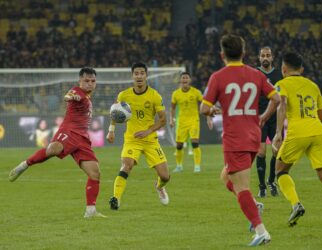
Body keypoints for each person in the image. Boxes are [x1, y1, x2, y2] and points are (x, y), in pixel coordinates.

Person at [200, 34, 280, 246]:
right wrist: (264, 116)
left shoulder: (218, 76)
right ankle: (254, 204)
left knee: (241, 186)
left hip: (235, 139)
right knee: (226, 178)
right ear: (243, 53)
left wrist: (214, 109)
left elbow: (204, 108)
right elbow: (277, 98)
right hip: (253, 136)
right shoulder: (257, 75)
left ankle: (261, 230)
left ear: (222, 54)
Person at [8, 67, 105, 218]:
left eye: (93, 81)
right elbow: (69, 95)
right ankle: (24, 165)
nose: (90, 84)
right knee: (53, 149)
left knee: (95, 173)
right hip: (69, 131)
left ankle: (90, 211)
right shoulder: (77, 91)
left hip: (83, 139)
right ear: (80, 81)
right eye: (86, 81)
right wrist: (71, 97)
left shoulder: (88, 97)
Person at [272, 52, 322, 227]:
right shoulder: (313, 86)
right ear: (301, 69)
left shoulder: (281, 84)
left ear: (283, 69)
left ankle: (296, 204)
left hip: (297, 132)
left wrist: (278, 133)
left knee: (281, 171)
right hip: (317, 131)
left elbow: (282, 104)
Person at [107, 62, 170, 210]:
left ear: (146, 75)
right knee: (126, 165)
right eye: (136, 73)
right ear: (132, 76)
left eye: (142, 73)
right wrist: (111, 130)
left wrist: (148, 131)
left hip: (150, 141)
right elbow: (114, 112)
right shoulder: (124, 95)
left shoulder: (155, 96)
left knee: (165, 176)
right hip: (132, 139)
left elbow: (163, 120)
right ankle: (116, 198)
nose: (139, 76)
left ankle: (159, 187)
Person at [255, 47, 283, 198]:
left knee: (277, 151)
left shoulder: (280, 74)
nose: (265, 57)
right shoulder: (254, 73)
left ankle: (271, 181)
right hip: (259, 118)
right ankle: (262, 187)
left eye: (268, 55)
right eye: (263, 55)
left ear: (272, 58)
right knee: (261, 152)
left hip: (275, 118)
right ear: (259, 58)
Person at [170, 72, 203, 173]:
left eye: (186, 78)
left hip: (194, 121)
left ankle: (197, 166)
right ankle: (179, 166)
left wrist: (209, 117)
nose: (184, 80)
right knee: (179, 145)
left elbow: (204, 104)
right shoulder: (176, 94)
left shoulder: (196, 92)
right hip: (182, 122)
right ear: (180, 81)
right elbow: (172, 108)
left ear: (190, 80)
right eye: (183, 78)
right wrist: (171, 120)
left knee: (195, 144)